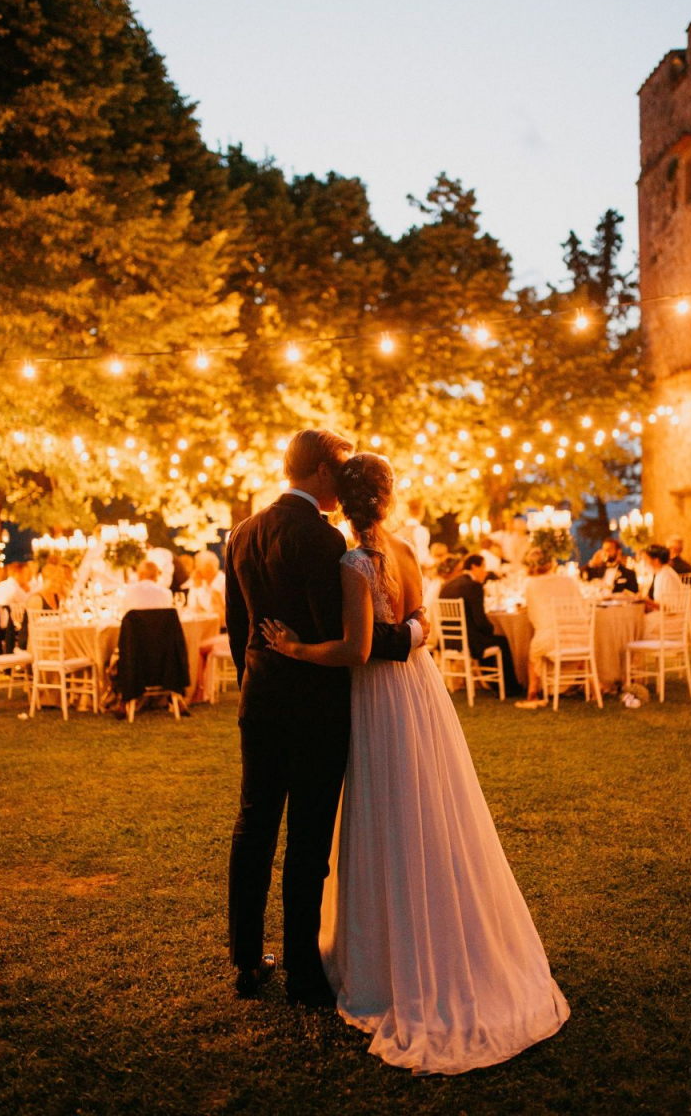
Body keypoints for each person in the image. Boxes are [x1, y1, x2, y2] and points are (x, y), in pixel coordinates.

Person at [263, 453, 569, 1074]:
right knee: (430, 805)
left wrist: (293, 647)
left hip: (377, 697)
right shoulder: (405, 550)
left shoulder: (353, 562)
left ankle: (392, 960)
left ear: (343, 500)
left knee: (389, 813)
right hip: (421, 692)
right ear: (388, 497)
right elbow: (420, 619)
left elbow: (357, 648)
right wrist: (414, 635)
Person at [225, 429, 428, 1008]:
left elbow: (239, 629)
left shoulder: (243, 532)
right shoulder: (324, 539)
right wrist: (416, 631)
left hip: (259, 702)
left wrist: (253, 690)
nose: (342, 482)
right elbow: (343, 638)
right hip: (314, 709)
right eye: (337, 469)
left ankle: (244, 960)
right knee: (309, 841)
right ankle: (304, 973)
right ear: (318, 471)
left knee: (253, 826)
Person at [439, 553, 520, 694]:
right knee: (502, 640)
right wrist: (493, 629)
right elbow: (480, 622)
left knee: (487, 638)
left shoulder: (447, 585)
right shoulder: (473, 586)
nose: (485, 571)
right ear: (474, 567)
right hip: (471, 642)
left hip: (449, 640)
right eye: (483, 567)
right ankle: (510, 688)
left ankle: (491, 683)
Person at [516, 548, 583, 710]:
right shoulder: (568, 580)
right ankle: (596, 686)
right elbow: (582, 604)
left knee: (533, 653)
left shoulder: (531, 584)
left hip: (551, 637)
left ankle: (532, 693)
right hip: (579, 634)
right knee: (580, 651)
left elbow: (534, 613)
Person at [642, 544, 683, 636]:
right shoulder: (660, 574)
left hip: (671, 619)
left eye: (646, 560)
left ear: (656, 561)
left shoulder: (667, 576)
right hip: (664, 615)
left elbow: (669, 607)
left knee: (638, 623)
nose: (644, 564)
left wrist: (647, 601)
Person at [187, 550, 226, 620]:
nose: (196, 570)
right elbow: (192, 607)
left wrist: (198, 587)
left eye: (198, 566)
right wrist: (195, 586)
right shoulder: (204, 582)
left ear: (209, 567)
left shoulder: (222, 582)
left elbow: (212, 609)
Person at [396, 497, 433, 569]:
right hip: (413, 573)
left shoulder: (398, 531)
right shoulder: (421, 531)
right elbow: (422, 558)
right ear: (422, 512)